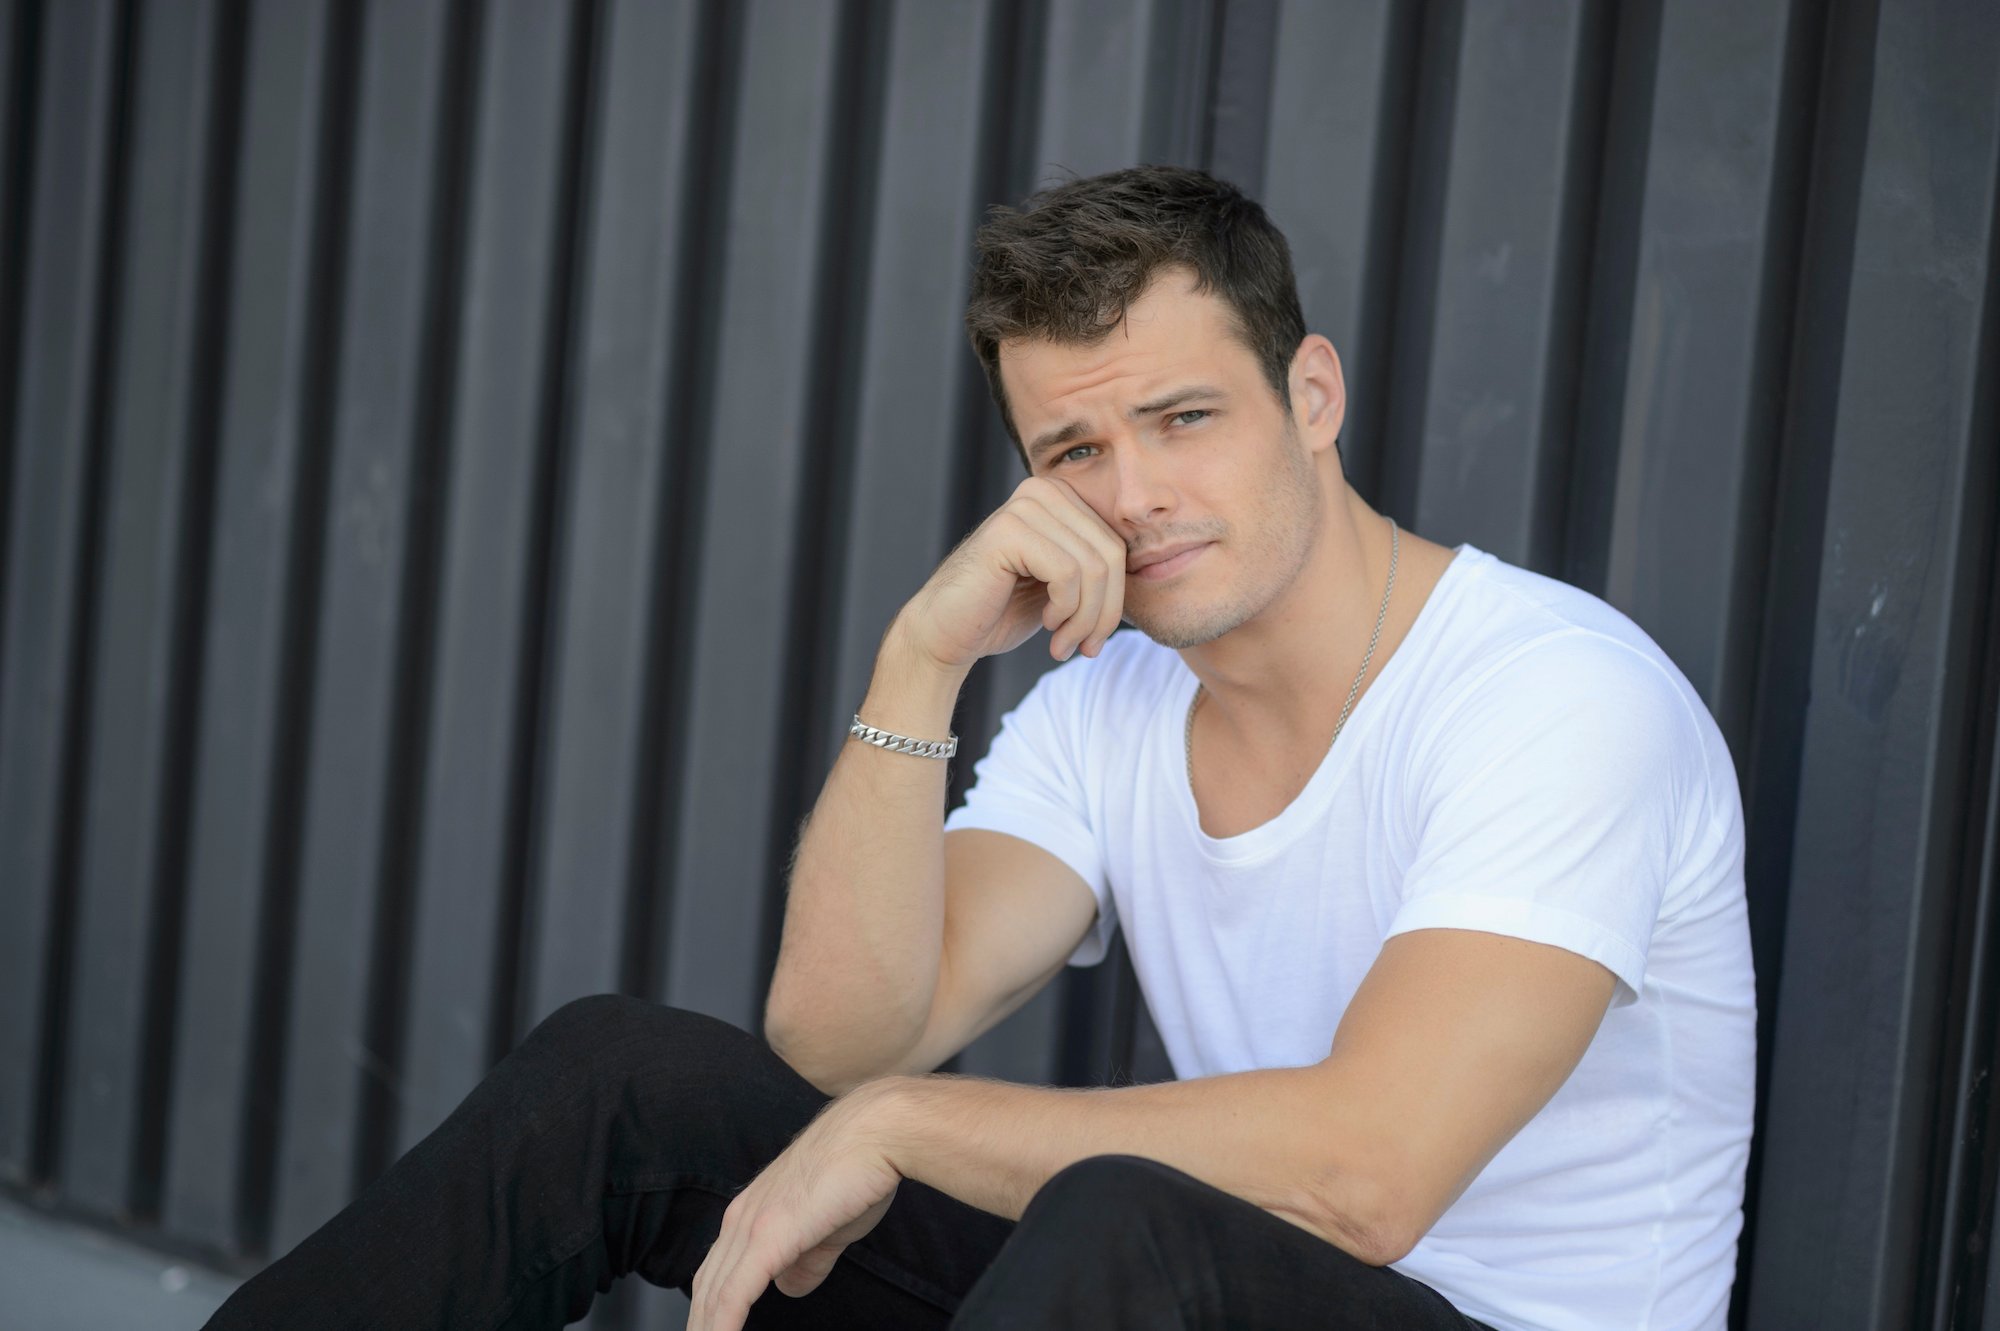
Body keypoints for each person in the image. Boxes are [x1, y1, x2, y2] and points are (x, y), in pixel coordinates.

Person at [204, 165, 1756, 1331]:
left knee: (1115, 1231)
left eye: (1183, 417)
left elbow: (1369, 1174)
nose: (1131, 491)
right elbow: (844, 1044)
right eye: (1076, 448)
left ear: (1313, 393)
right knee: (627, 1083)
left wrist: (907, 1125)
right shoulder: (1110, 701)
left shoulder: (1553, 697)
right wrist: (922, 661)